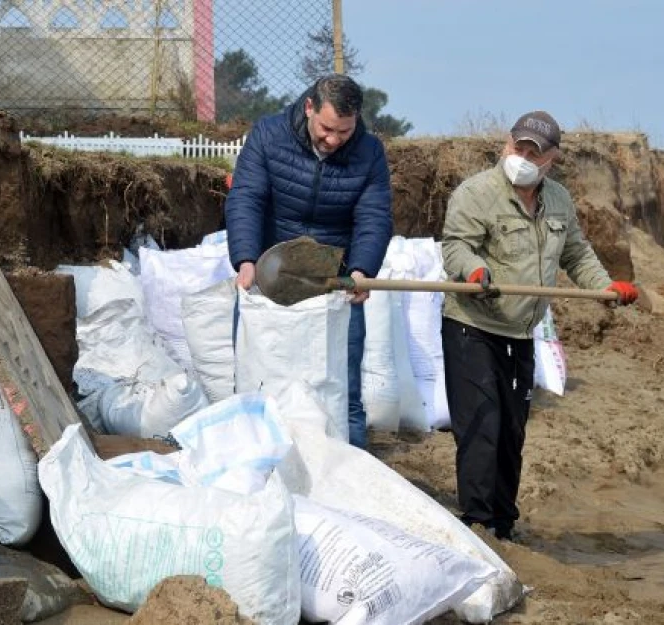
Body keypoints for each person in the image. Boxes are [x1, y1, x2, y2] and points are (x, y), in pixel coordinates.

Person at [440, 110, 639, 540]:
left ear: (551, 158)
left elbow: (576, 253)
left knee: (512, 431)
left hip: (520, 331)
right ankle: (476, 522)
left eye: (534, 151)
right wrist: (474, 272)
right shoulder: (477, 193)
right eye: (518, 147)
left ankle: (503, 522)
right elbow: (456, 247)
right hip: (472, 326)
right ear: (506, 145)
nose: (523, 157)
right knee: (482, 427)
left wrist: (606, 288)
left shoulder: (560, 201)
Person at [224, 74, 393, 449]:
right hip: (270, 273)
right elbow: (246, 198)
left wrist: (362, 269)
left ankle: (347, 479)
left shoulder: (368, 153)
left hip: (330, 283)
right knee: (257, 386)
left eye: (344, 132)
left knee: (341, 391)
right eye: (327, 128)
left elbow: (374, 216)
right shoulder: (269, 135)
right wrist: (246, 260)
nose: (333, 140)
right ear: (309, 108)